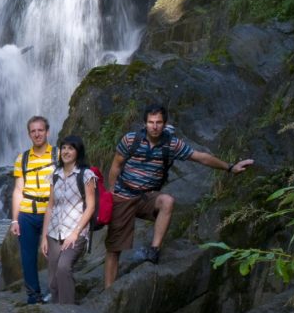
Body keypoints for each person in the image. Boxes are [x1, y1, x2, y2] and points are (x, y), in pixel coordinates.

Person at [104, 104, 255, 287]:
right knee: (114, 248)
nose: (155, 126)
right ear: (145, 123)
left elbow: (200, 157)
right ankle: (108, 290)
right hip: (124, 193)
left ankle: (154, 250)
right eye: (151, 122)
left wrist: (230, 167)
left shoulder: (171, 144)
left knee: (167, 201)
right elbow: (116, 166)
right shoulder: (131, 140)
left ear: (164, 123)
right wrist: (111, 192)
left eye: (159, 122)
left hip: (148, 197)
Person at [40, 135, 96, 304]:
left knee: (64, 268)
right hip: (54, 232)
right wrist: (44, 236)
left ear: (78, 152)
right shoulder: (55, 175)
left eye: (71, 148)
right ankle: (56, 312)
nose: (66, 151)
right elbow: (50, 207)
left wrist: (75, 233)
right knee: (52, 278)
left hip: (75, 232)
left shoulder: (86, 175)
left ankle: (67, 311)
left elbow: (91, 206)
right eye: (63, 148)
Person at [11, 115, 55, 304]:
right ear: (29, 134)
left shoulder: (59, 155)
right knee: (28, 258)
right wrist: (14, 219)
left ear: (47, 131)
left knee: (55, 256)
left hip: (53, 213)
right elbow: (18, 190)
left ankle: (56, 292)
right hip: (27, 214)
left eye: (40, 130)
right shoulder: (23, 158)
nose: (37, 134)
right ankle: (33, 296)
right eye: (33, 131)